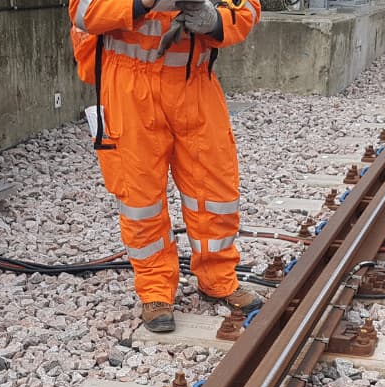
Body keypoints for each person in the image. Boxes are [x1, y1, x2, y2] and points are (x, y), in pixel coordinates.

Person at [68, 0, 263, 332]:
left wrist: (216, 20)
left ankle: (218, 278)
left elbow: (248, 8)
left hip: (195, 81)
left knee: (215, 187)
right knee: (140, 196)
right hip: (130, 86)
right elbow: (84, 12)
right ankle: (155, 289)